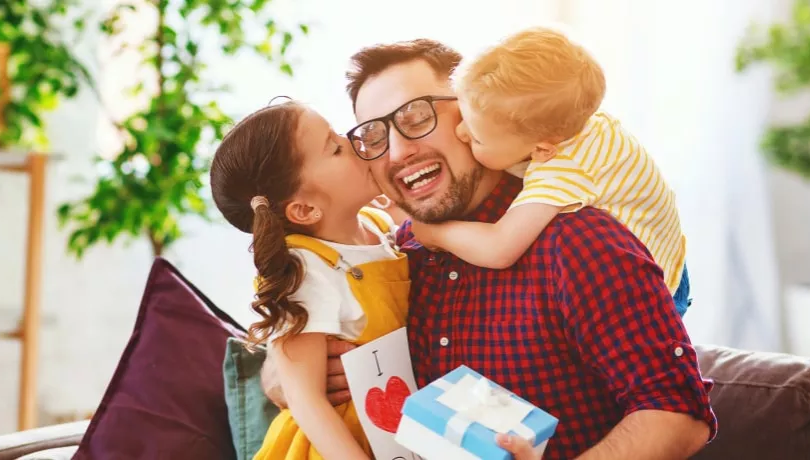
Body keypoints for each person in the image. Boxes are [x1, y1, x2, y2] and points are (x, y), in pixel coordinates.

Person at [262, 38, 717, 459]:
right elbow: (294, 339)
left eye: (417, 117)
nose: (398, 152)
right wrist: (285, 379)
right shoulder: (397, 258)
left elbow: (678, 414)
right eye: (374, 137)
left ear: (472, 112)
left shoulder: (577, 239)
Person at [408, 27, 691, 317]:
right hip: (671, 252)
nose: (460, 132)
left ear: (542, 151)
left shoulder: (565, 170)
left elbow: (500, 247)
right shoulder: (574, 121)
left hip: (655, 288)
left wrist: (435, 233)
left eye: (477, 138)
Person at [210, 100, 409, 460]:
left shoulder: (380, 227)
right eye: (334, 148)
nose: (351, 140)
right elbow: (304, 399)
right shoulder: (305, 268)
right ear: (304, 209)